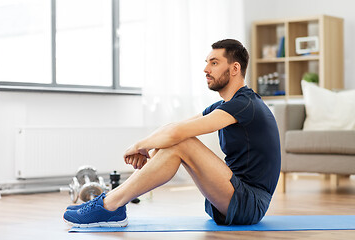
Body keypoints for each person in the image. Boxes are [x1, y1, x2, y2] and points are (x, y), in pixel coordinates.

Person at [63, 39, 281, 227]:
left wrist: (139, 145)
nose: (206, 69)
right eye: (206, 63)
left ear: (234, 69)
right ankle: (111, 202)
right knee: (174, 140)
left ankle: (110, 205)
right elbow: (172, 127)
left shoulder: (245, 104)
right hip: (233, 197)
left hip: (249, 203)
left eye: (214, 63)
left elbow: (177, 133)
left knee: (182, 142)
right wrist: (149, 145)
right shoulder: (225, 105)